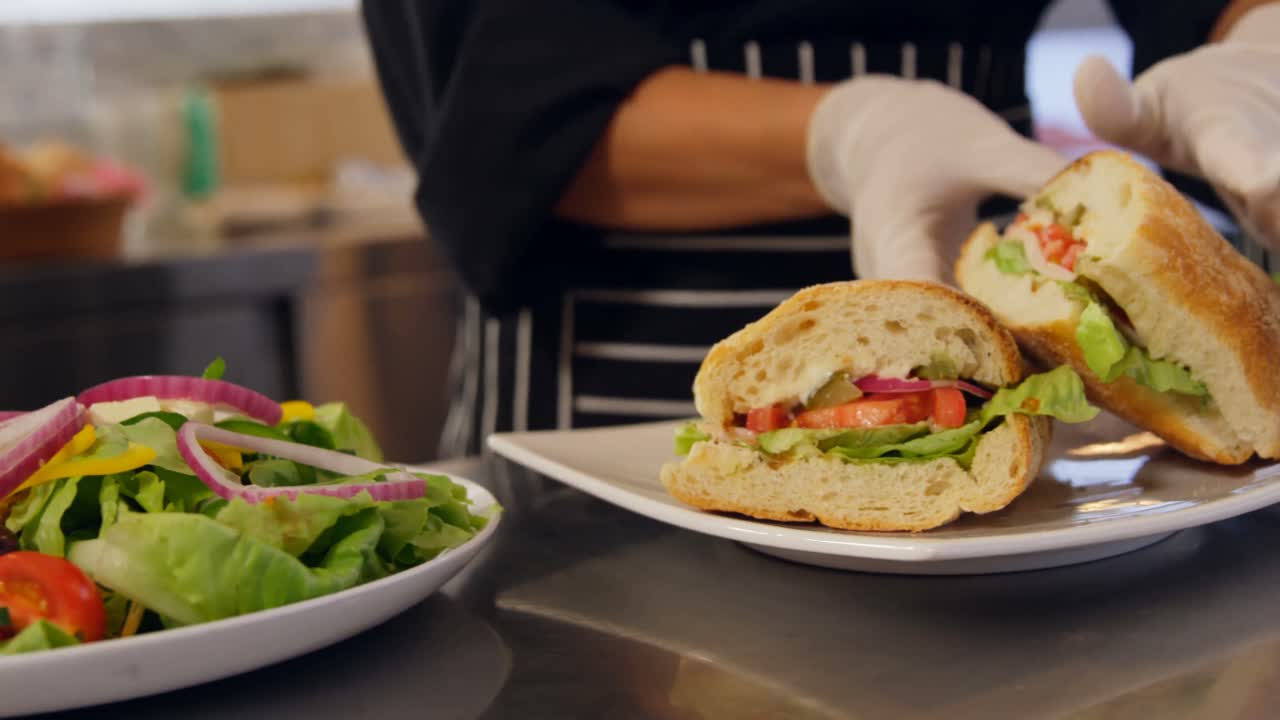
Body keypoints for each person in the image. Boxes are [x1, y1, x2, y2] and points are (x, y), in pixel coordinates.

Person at [360, 0, 1280, 458]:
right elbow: (507, 116)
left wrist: (1256, 40)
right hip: (602, 411)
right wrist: (846, 133)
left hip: (1003, 358)